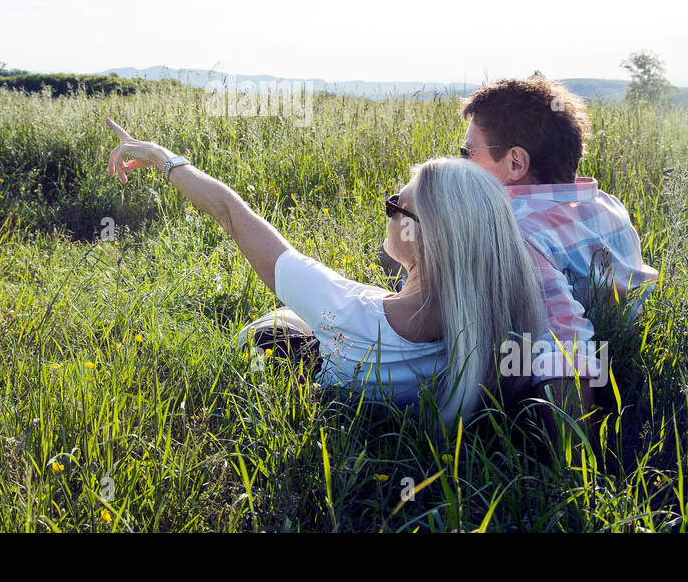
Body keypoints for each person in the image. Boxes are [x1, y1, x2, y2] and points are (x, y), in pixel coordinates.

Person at [104, 119, 546, 438]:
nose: (389, 210)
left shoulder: (349, 310)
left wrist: (163, 158)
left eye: (397, 205)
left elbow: (232, 214)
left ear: (427, 238)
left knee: (275, 325)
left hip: (319, 376)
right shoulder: (498, 323)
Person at [383, 77, 658, 417]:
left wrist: (570, 461)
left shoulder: (519, 232)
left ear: (515, 162)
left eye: (468, 153)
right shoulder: (606, 205)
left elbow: (563, 345)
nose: (464, 165)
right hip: (632, 359)